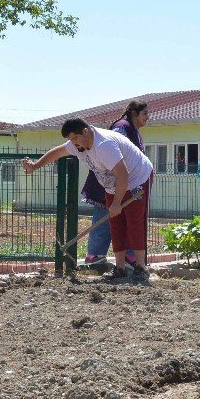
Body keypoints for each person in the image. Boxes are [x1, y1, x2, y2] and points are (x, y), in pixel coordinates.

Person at [23, 118, 153, 282]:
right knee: (116, 223)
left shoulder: (104, 145)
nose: (73, 143)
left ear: (85, 131)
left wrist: (116, 203)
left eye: (75, 138)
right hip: (113, 184)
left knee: (134, 223)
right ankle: (120, 269)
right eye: (70, 140)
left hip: (137, 178)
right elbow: (57, 152)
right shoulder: (78, 143)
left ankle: (141, 268)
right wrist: (35, 166)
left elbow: (123, 174)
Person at [110, 100, 150, 268]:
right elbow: (116, 151)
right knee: (116, 222)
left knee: (134, 222)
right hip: (118, 183)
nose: (148, 117)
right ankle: (97, 257)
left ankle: (134, 261)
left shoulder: (133, 130)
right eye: (145, 113)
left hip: (132, 182)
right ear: (134, 113)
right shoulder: (122, 127)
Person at [80, 170, 112, 270]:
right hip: (102, 185)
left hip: (127, 181)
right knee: (101, 223)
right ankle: (95, 256)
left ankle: (129, 257)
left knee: (127, 224)